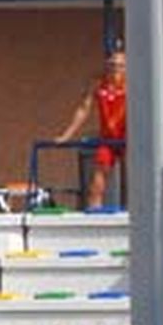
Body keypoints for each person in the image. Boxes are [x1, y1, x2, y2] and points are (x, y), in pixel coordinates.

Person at [54, 49, 127, 210]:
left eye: (121, 65)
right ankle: (95, 214)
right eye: (112, 65)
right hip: (108, 140)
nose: (116, 69)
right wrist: (67, 135)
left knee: (133, 177)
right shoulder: (98, 83)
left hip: (128, 139)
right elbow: (83, 109)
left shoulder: (132, 84)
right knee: (97, 178)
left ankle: (136, 213)